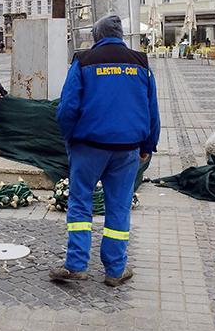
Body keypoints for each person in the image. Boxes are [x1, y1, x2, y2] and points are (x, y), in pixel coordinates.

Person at [51, 15, 160, 287]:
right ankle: (115, 269)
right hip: (127, 150)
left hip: (89, 147)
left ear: (96, 36)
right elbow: (152, 112)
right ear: (121, 35)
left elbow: (66, 109)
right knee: (119, 207)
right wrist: (147, 146)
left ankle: (76, 265)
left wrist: (70, 139)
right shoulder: (141, 63)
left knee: (80, 203)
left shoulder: (84, 61)